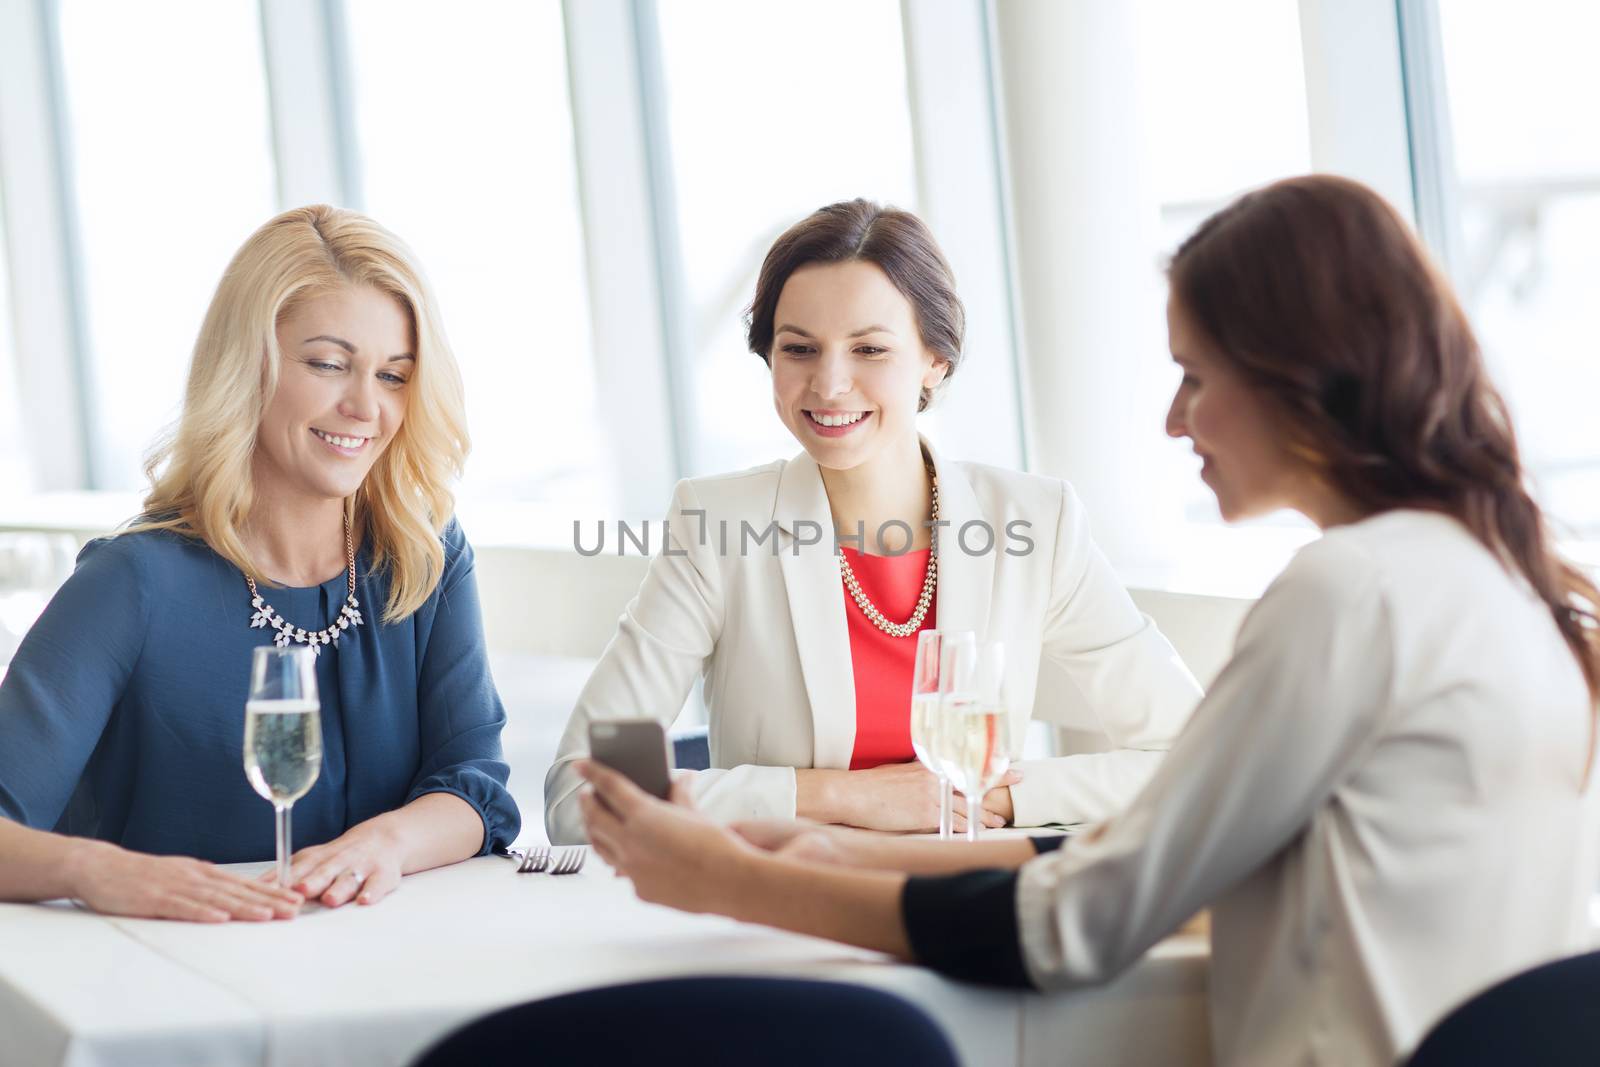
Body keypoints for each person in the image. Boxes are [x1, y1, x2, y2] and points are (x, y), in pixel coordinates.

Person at [576, 175, 1600, 1066]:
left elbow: (1086, 910)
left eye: (1194, 374)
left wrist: (739, 880)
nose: (1170, 417)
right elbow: (1181, 847)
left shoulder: (1345, 594)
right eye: (796, 348)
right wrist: (830, 841)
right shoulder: (1493, 577)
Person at [545, 200, 1201, 844]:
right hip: (782, 911)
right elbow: (583, 791)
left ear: (933, 360)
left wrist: (993, 792)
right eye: (799, 348)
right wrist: (847, 796)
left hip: (963, 903)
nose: (829, 384)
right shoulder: (716, 525)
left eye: (869, 349)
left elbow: (1195, 752)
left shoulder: (1034, 523)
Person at [0, 205, 518, 921]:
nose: (365, 405)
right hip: (175, 979)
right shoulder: (134, 582)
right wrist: (98, 870)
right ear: (250, 366)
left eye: (394, 376)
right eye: (330, 364)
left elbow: (474, 788)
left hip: (391, 972)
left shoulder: (422, 554)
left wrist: (388, 842)